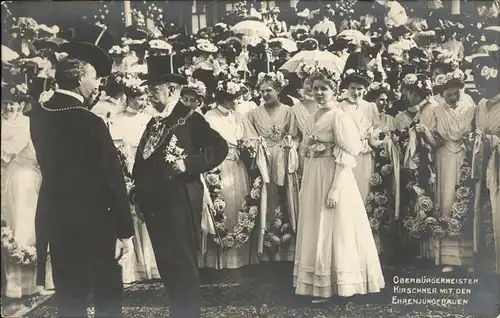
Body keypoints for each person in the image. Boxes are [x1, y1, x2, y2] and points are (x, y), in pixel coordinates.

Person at [29, 24, 134, 317]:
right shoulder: (90, 122)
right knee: (108, 296)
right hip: (96, 223)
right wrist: (125, 232)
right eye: (93, 78)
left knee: (70, 297)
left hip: (58, 219)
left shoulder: (39, 115)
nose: (97, 85)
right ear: (78, 78)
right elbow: (111, 179)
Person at [131, 54, 228, 318]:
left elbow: (219, 148)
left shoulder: (190, 118)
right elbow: (142, 161)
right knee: (166, 262)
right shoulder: (154, 122)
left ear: (172, 89)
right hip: (153, 204)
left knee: (182, 263)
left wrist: (188, 164)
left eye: (154, 89)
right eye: (148, 89)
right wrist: (137, 195)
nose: (149, 95)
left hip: (179, 200)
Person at [293, 66, 385, 305]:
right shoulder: (312, 116)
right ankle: (319, 282)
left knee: (336, 227)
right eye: (315, 89)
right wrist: (311, 148)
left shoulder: (339, 115)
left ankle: (340, 283)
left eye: (324, 89)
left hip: (334, 176)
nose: (320, 93)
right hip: (314, 175)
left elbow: (349, 152)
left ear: (334, 91)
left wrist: (335, 188)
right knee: (317, 225)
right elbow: (306, 147)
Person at [200, 77, 259, 269]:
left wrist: (248, 148)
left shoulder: (239, 116)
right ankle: (219, 256)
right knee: (221, 205)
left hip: (237, 164)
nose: (239, 100)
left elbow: (249, 138)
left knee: (239, 202)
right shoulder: (209, 116)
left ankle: (239, 256)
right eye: (236, 97)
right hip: (218, 167)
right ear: (226, 98)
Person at [247, 71, 295, 262]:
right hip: (263, 158)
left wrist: (287, 142)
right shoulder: (253, 113)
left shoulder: (288, 111)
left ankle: (285, 244)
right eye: (262, 91)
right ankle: (265, 245)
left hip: (282, 157)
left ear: (278, 91)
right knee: (265, 196)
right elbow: (248, 137)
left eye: (269, 91)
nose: (265, 94)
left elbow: (293, 135)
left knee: (283, 196)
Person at [433, 69, 477, 273]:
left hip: (465, 155)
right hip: (444, 156)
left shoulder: (471, 109)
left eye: (455, 93)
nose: (452, 97)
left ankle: (468, 256)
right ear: (442, 94)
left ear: (462, 91)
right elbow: (434, 136)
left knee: (464, 198)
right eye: (448, 94)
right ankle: (448, 257)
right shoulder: (437, 110)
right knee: (447, 200)